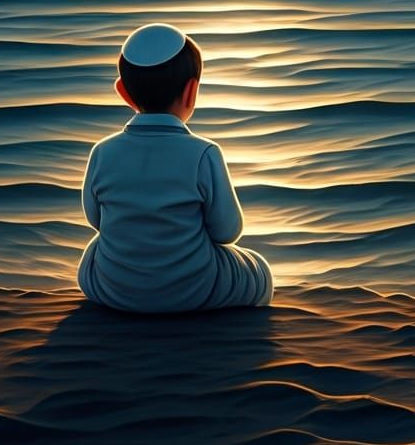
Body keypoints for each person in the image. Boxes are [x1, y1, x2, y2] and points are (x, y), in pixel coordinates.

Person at [77, 23, 274, 313]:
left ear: (124, 93)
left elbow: (96, 220)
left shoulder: (102, 152)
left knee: (94, 251)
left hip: (115, 291)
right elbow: (227, 232)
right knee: (259, 270)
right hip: (194, 291)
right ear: (191, 92)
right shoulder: (204, 153)